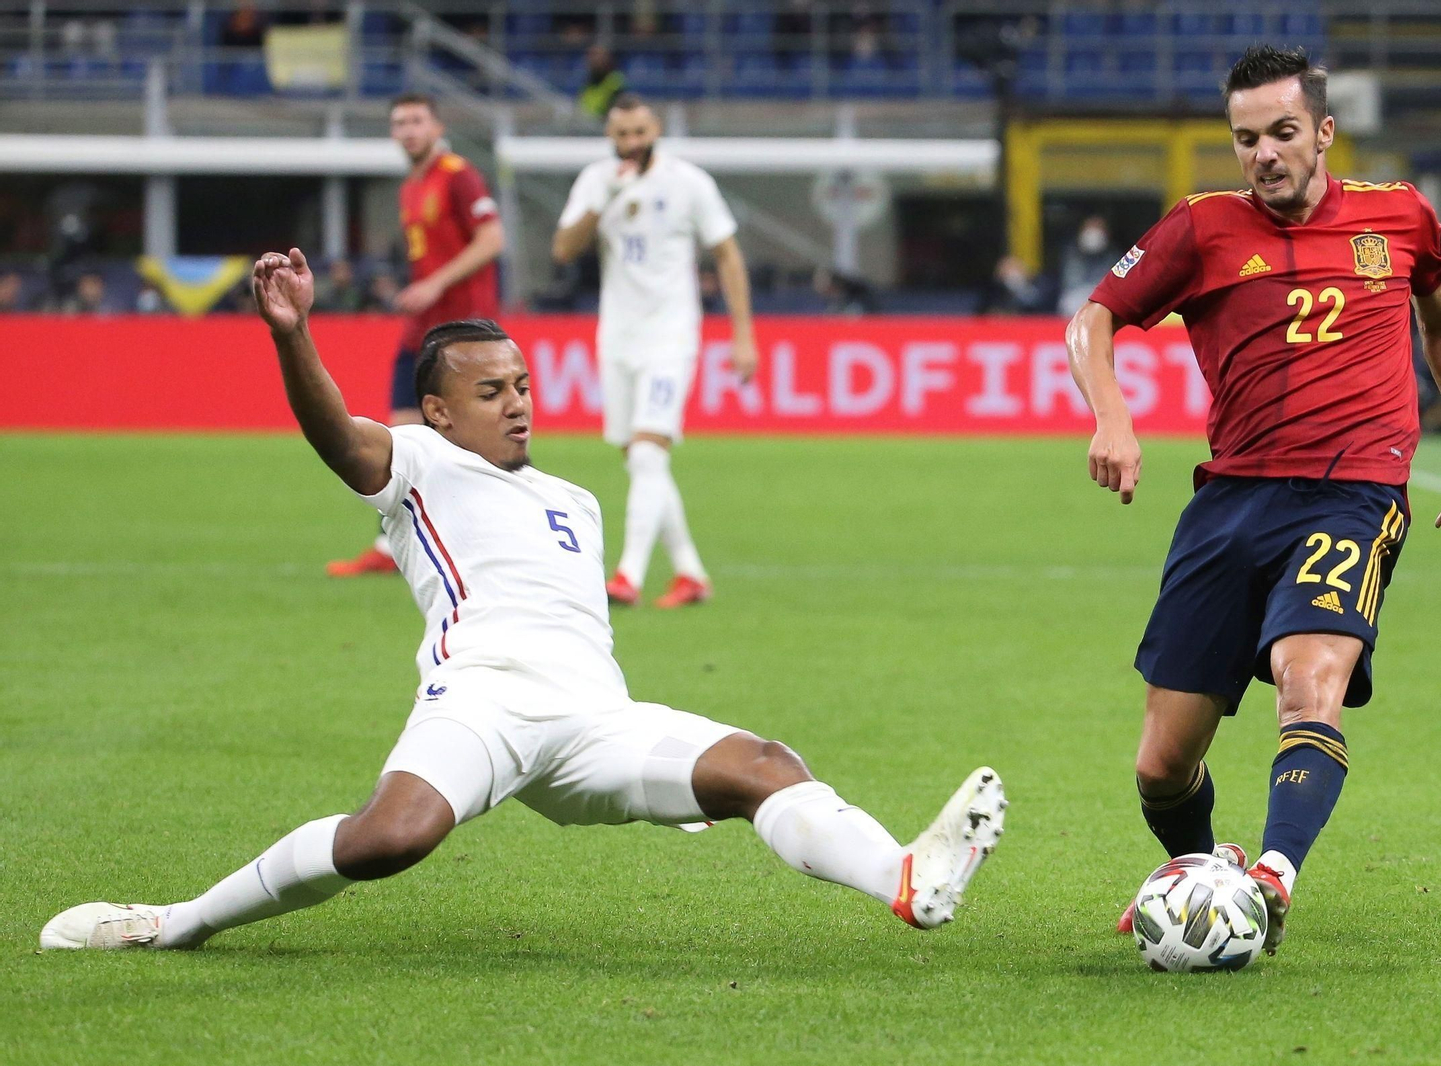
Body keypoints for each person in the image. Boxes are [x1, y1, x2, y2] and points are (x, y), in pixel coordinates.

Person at [38, 250, 1006, 951]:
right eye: (490, 389)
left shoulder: (575, 500)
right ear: (440, 410)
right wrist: (294, 337)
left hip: (593, 718)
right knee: (390, 838)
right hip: (482, 704)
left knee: (763, 762)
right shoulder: (414, 462)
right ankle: (175, 923)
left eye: (522, 384)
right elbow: (335, 435)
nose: (517, 403)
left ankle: (904, 877)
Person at [1065, 45, 1441, 957]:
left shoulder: (1399, 216)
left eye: (1283, 133)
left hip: (1354, 492)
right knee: (1162, 765)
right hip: (1230, 503)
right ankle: (1201, 876)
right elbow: (1091, 318)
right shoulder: (1203, 229)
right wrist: (1113, 416)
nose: (1264, 153)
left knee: (1311, 682)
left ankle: (1271, 880)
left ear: (1324, 132)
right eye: (1246, 137)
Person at [551, 93, 758, 609]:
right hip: (617, 336)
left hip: (671, 335)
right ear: (610, 137)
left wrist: (743, 333)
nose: (632, 144)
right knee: (642, 461)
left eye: (640, 133)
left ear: (656, 129)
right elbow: (562, 250)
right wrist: (605, 201)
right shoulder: (597, 180)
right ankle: (690, 572)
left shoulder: (689, 183)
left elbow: (728, 255)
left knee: (646, 453)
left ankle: (628, 575)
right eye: (622, 135)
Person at [327, 93, 505, 577]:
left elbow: (493, 239)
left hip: (461, 330)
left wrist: (433, 284)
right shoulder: (412, 185)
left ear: (436, 125)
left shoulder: (458, 174)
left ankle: (488, 539)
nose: (407, 130)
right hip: (420, 330)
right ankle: (394, 546)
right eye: (398, 122)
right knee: (402, 436)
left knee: (468, 442)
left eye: (416, 121)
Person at [1058, 215, 1120, 318]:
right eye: (1090, 228)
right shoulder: (1072, 254)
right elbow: (1069, 282)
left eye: (1097, 229)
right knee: (1070, 303)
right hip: (1075, 297)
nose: (1093, 233)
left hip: (1103, 299)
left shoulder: (1113, 256)